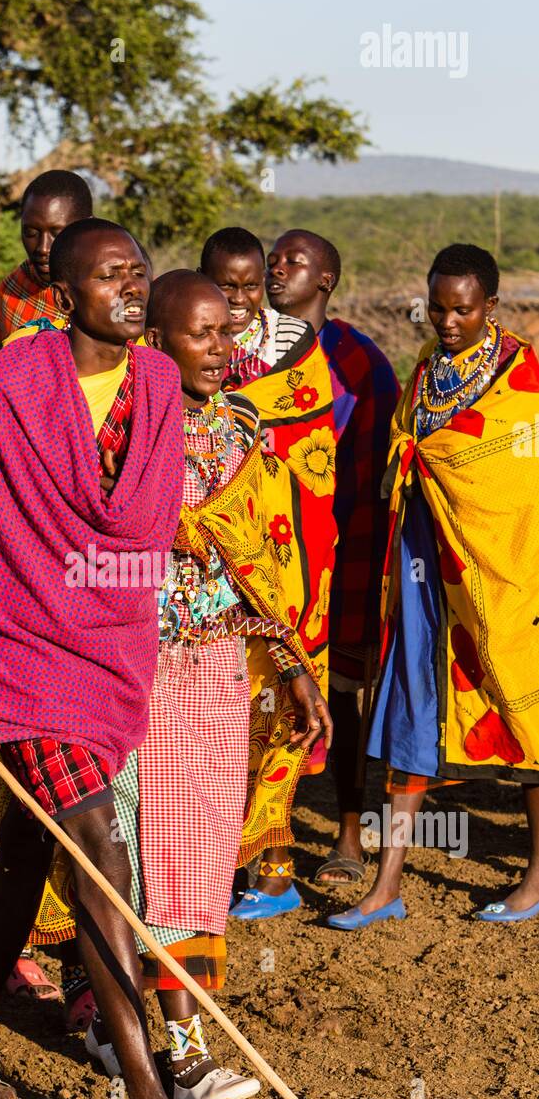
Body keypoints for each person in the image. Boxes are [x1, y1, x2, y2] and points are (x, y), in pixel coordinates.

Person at [0, 218, 229, 1099]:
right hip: (9, 656)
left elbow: (142, 526)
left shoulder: (159, 385)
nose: (132, 290)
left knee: (20, 866)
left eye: (139, 274)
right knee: (98, 848)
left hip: (99, 655)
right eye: (111, 277)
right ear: (64, 291)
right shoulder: (8, 384)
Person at [84, 270, 331, 1099]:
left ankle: (169, 1038)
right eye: (201, 336)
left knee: (196, 856)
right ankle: (161, 1046)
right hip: (129, 674)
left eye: (229, 333)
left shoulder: (241, 435)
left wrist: (292, 666)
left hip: (218, 666)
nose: (223, 351)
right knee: (129, 851)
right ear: (154, 342)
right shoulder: (114, 436)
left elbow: (260, 563)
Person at [331, 243, 539, 929]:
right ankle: (386, 881)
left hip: (500, 571)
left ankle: (536, 875)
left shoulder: (522, 376)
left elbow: (515, 477)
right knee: (411, 698)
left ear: (491, 307)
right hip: (423, 562)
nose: (446, 321)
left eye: (462, 309)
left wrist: (446, 468)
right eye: (438, 307)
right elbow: (409, 448)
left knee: (517, 704)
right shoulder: (426, 369)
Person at [199, 228, 339, 918]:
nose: (236, 298)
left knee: (280, 705)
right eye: (222, 286)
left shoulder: (298, 356)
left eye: (248, 285)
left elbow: (312, 458)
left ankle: (277, 868)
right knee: (224, 709)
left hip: (287, 564)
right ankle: (219, 861)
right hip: (217, 562)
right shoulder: (188, 344)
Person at [264, 229, 401, 885]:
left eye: (294, 262)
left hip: (339, 549)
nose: (276, 270)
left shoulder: (360, 362)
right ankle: (266, 840)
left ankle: (346, 832)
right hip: (259, 551)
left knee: (341, 691)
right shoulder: (243, 352)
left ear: (325, 280)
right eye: (273, 259)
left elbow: (377, 474)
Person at [0, 169, 93, 353]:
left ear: (88, 227)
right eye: (31, 233)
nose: (43, 248)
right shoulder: (14, 290)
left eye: (57, 233)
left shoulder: (115, 287)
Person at [199, 226, 312, 380]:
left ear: (263, 279)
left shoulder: (291, 338)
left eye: (251, 286)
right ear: (201, 279)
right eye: (226, 286)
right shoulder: (182, 336)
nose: (239, 299)